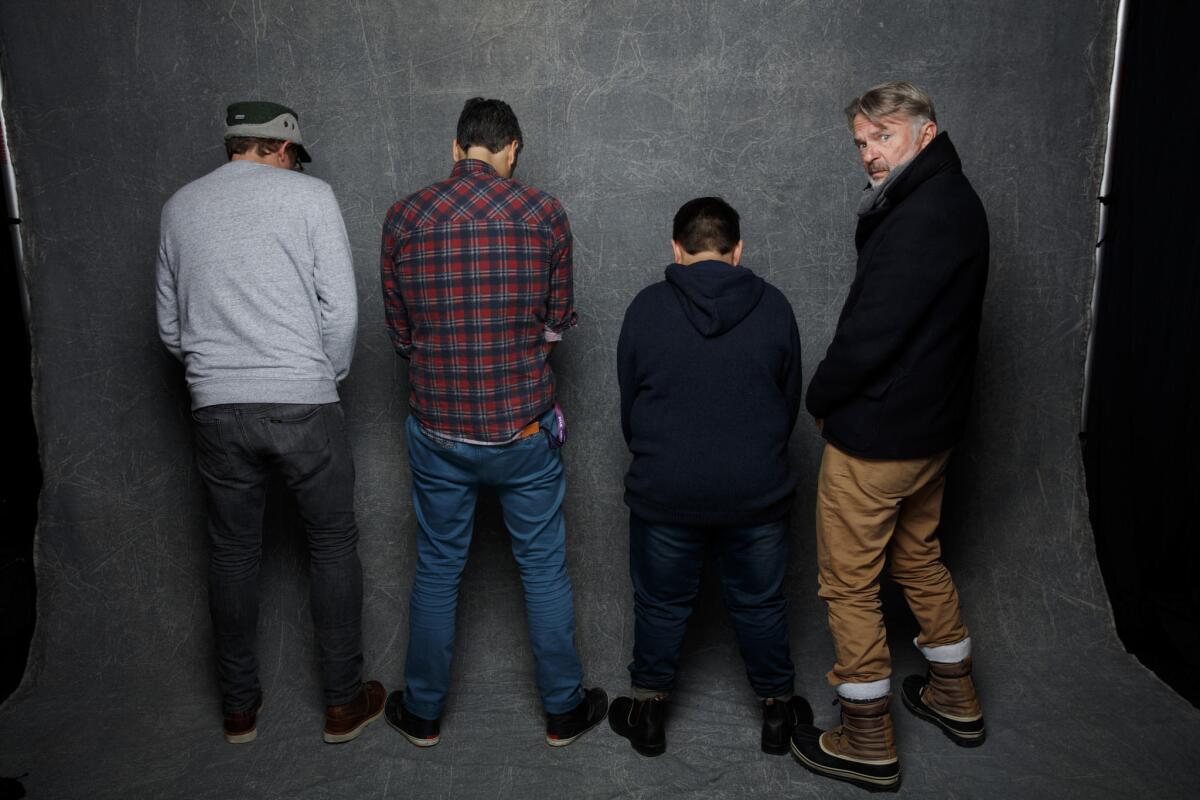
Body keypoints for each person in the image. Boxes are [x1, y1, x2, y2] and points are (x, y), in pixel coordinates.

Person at [379, 97, 607, 748]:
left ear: (457, 148)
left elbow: (401, 336)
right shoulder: (543, 213)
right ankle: (563, 712)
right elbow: (558, 321)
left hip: (438, 428)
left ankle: (422, 715)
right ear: (512, 149)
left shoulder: (404, 216)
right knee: (541, 567)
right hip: (522, 428)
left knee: (438, 567)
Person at [156, 101, 384, 744]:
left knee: (232, 554)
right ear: (282, 149)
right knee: (333, 545)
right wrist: (322, 376)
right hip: (302, 401)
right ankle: (342, 704)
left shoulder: (179, 207)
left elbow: (171, 329)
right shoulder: (309, 197)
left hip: (215, 407)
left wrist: (216, 374)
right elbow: (340, 309)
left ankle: (238, 709)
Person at [789, 81, 989, 792]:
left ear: (925, 134)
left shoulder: (922, 214)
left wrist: (821, 396)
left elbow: (873, 332)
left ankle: (866, 738)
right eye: (863, 143)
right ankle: (955, 694)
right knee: (917, 557)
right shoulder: (948, 199)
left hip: (879, 435)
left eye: (885, 137)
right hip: (929, 432)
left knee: (848, 582)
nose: (871, 155)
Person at [610, 197, 811, 757]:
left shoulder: (645, 308)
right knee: (761, 602)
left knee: (660, 604)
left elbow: (631, 403)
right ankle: (777, 715)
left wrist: (661, 458)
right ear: (737, 250)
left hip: (665, 491)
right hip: (757, 491)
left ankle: (648, 715)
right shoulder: (775, 307)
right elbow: (787, 402)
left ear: (676, 249)